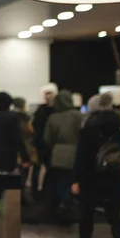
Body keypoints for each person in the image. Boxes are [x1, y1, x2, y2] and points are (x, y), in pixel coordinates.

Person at [72, 93, 120, 238]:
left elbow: (81, 157)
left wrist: (76, 179)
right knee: (115, 216)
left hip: (90, 177)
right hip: (112, 175)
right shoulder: (117, 128)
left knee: (86, 216)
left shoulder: (88, 128)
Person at [44, 90, 84, 220]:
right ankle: (67, 205)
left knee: (60, 181)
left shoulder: (53, 117)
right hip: (75, 152)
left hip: (58, 153)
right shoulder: (79, 116)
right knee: (72, 180)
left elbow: (47, 138)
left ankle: (60, 205)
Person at [31, 83, 58, 193]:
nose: (47, 96)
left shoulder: (40, 111)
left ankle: (41, 190)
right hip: (44, 144)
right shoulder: (49, 111)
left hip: (44, 143)